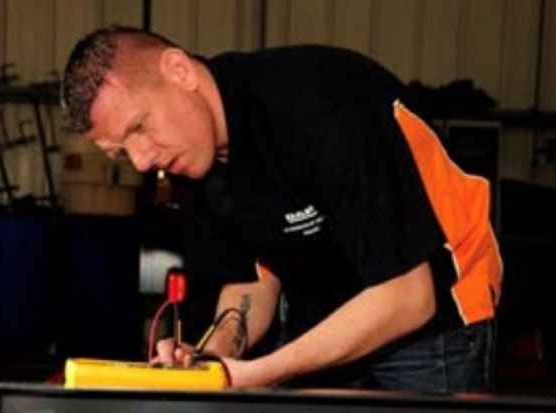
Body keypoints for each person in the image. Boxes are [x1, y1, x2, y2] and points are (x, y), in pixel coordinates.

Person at [61, 25, 503, 392]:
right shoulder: (189, 157)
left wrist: (259, 372)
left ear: (179, 70)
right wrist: (210, 359)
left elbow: (408, 297)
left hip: (431, 323)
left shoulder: (321, 106)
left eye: (140, 126)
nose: (142, 161)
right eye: (122, 152)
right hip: (320, 322)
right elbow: (250, 283)